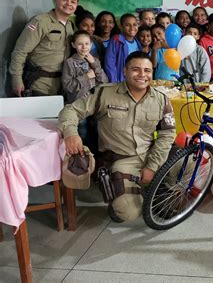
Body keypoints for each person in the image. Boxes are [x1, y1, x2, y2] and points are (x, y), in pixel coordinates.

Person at [58, 51, 176, 222]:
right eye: (136, 69)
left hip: (151, 154)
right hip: (121, 160)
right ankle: (135, 192)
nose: (142, 75)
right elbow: (70, 110)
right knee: (127, 214)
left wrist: (152, 165)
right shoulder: (104, 93)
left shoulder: (161, 100)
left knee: (191, 163)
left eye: (147, 70)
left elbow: (167, 133)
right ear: (125, 71)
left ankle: (158, 192)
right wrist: (70, 133)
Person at [9, 0, 79, 96]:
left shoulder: (71, 26)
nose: (69, 4)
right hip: (39, 83)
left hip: (62, 85)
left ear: (76, 6)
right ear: (56, 0)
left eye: (73, 1)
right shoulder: (41, 21)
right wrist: (16, 79)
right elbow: (20, 51)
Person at [62, 30, 108, 144]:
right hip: (78, 104)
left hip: (95, 104)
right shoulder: (70, 62)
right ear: (73, 45)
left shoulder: (95, 61)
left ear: (91, 44)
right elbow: (68, 86)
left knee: (97, 133)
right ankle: (84, 157)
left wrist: (95, 64)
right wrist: (86, 77)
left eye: (87, 44)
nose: (84, 47)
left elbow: (104, 81)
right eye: (80, 44)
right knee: (83, 134)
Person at [104, 13, 141, 83]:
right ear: (121, 27)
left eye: (134, 24)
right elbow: (109, 63)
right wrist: (114, 82)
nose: (132, 28)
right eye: (127, 25)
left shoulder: (137, 42)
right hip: (120, 80)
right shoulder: (116, 40)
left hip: (134, 80)